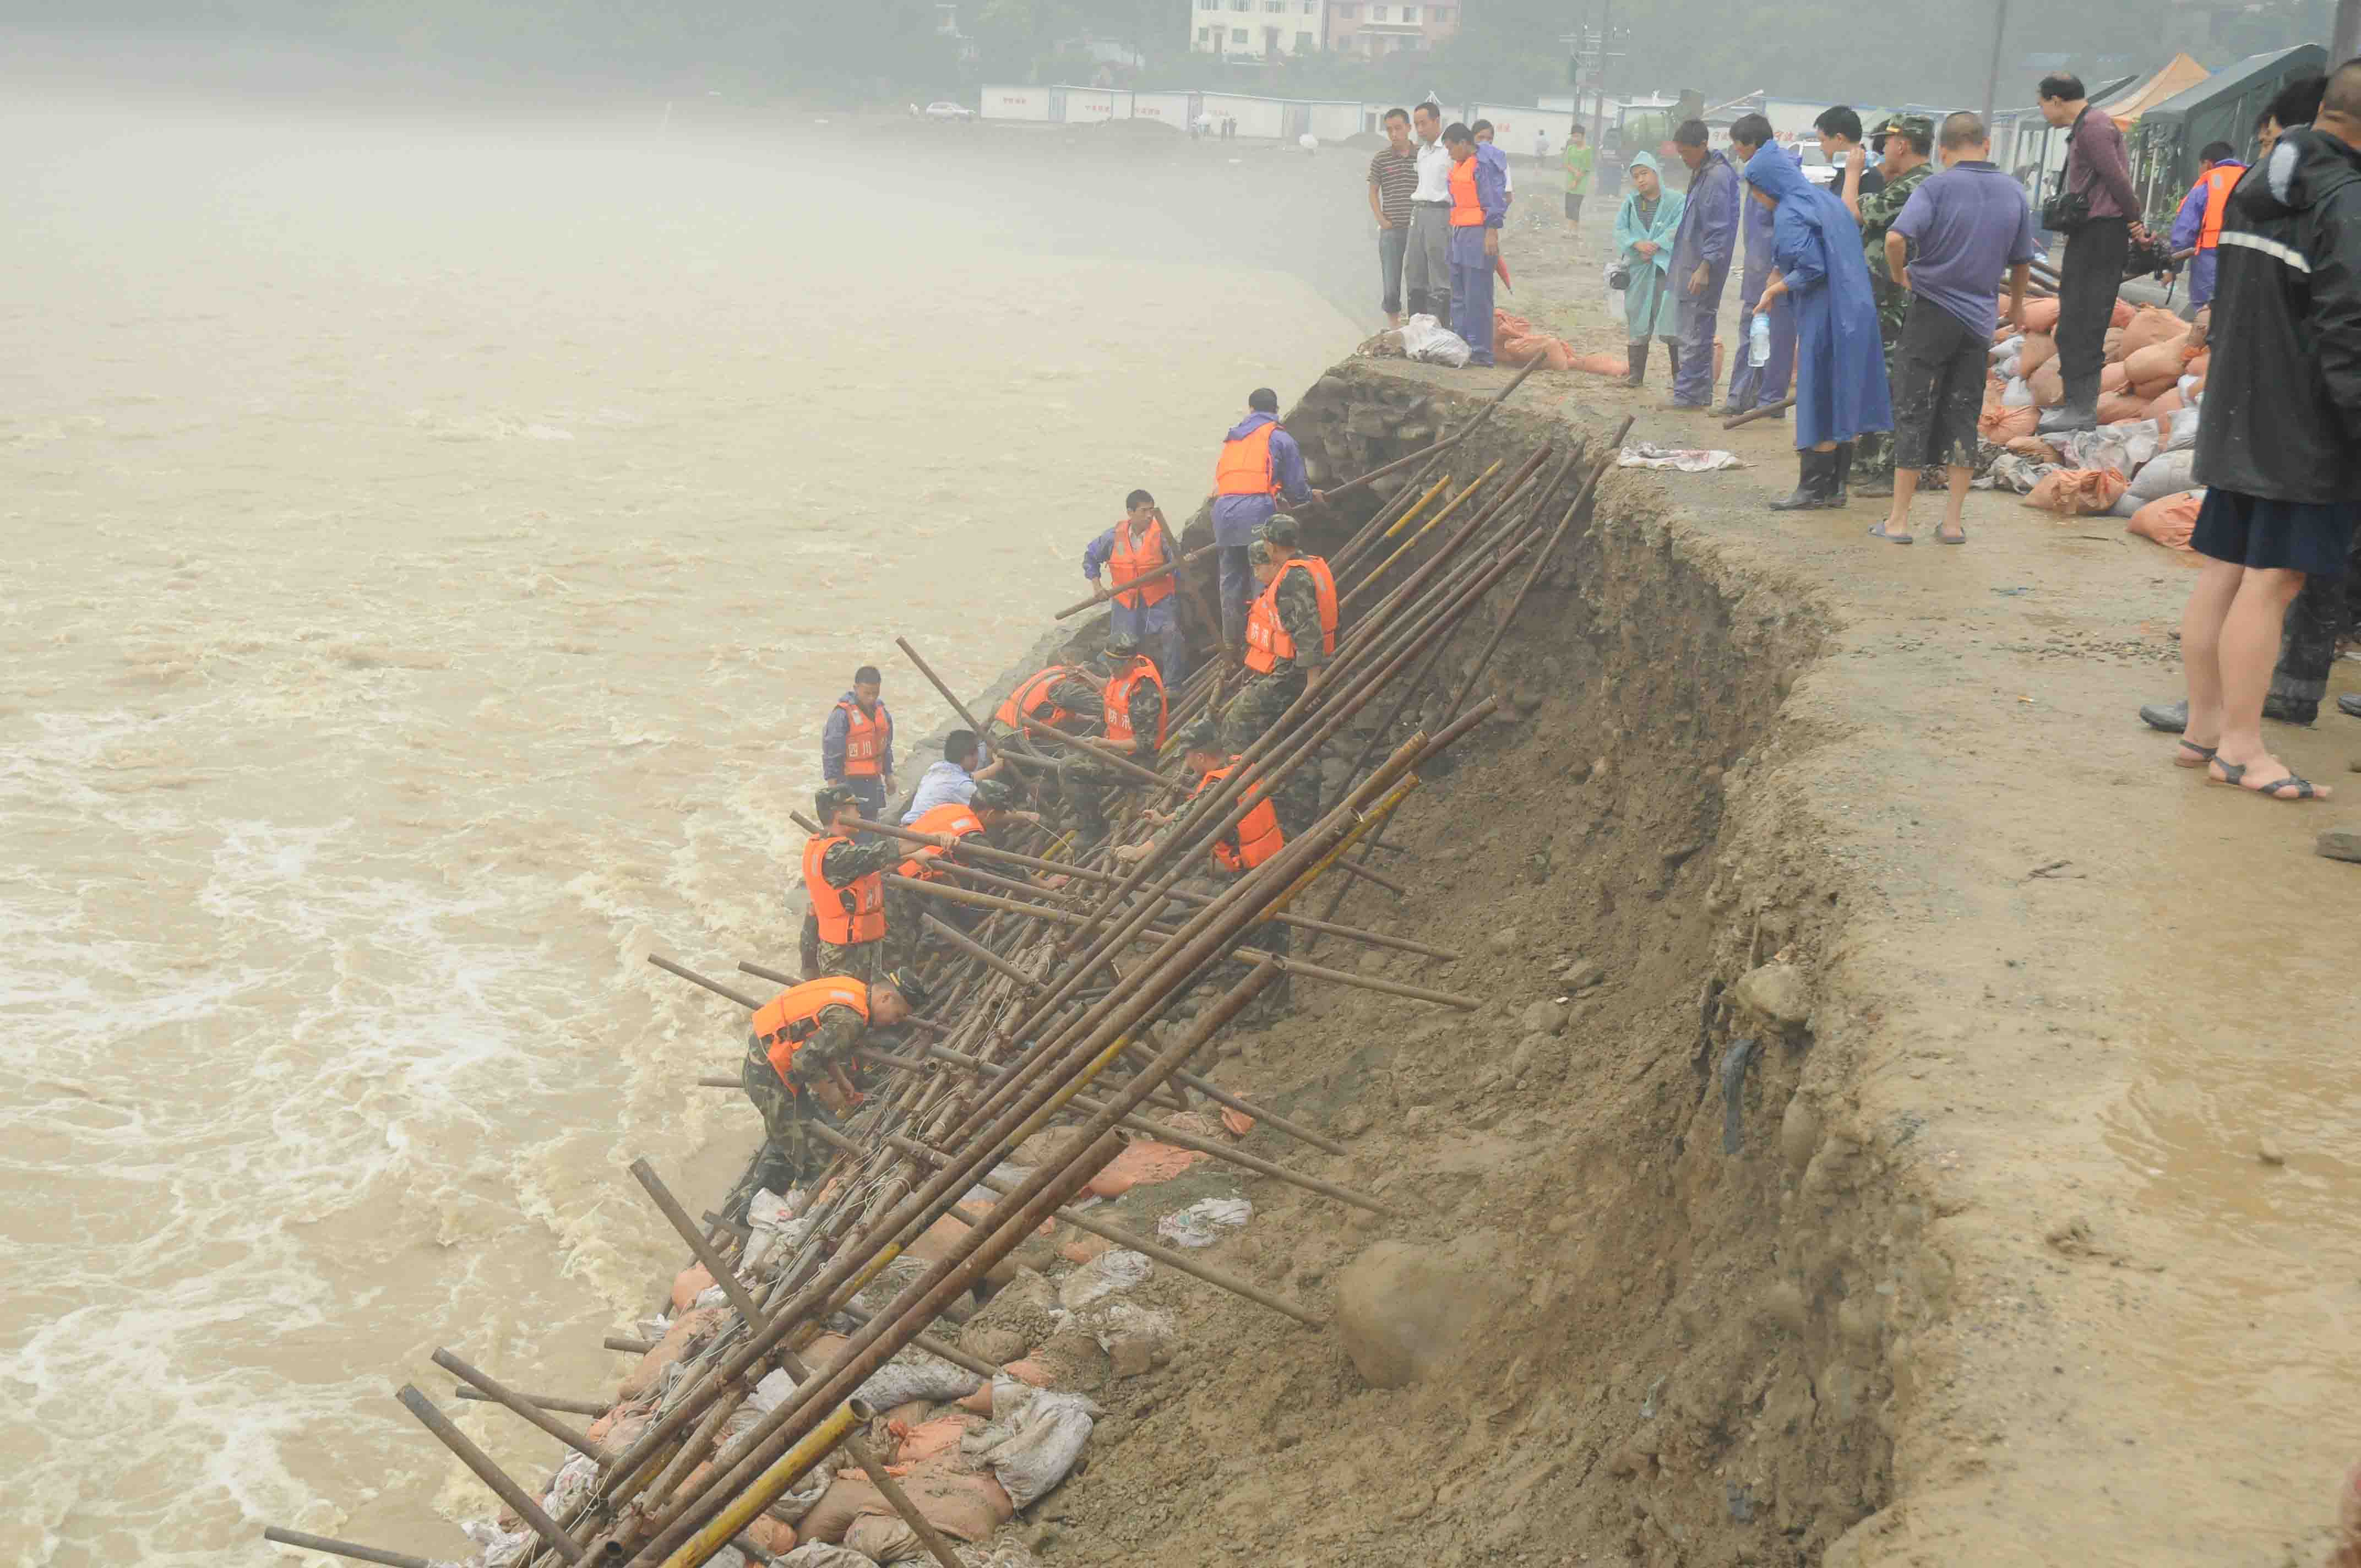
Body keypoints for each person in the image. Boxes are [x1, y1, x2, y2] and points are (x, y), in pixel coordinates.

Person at [2170, 59, 2361, 805]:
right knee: (2274, 581)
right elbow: (2349, 330)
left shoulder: (2259, 184)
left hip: (2239, 410)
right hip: (2304, 428)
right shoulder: (2344, 201)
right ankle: (2243, 748)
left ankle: (2203, 728)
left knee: (2225, 567)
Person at [1871, 112, 2039, 546]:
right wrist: (2017, 306)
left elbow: (1895, 239)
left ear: (1943, 150)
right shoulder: (2013, 192)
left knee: (1913, 409)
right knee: (1964, 415)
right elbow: (2022, 260)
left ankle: (1899, 521)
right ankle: (1952, 524)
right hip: (1978, 322)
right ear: (1985, 144)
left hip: (1931, 313)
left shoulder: (1936, 186)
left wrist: (1899, 275)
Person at [1746, 146, 1892, 509]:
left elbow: (1812, 268)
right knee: (1843, 392)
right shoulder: (1823, 200)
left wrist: (1774, 290)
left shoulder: (1789, 213)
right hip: (1856, 308)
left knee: (1818, 393)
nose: (1755, 197)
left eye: (1754, 189)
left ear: (1768, 185)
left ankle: (1812, 489)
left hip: (1828, 312)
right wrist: (1781, 271)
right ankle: (1836, 488)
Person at [722, 968, 922, 1222]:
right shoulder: (851, 1019)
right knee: (808, 1156)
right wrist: (831, 1093)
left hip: (766, 1057)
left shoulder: (853, 990)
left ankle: (766, 1196)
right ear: (885, 998)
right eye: (898, 1015)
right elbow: (804, 1062)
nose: (895, 1023)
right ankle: (755, 1216)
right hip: (768, 1075)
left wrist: (841, 1081)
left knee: (795, 1136)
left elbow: (820, 1047)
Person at [2034, 73, 2143, 434]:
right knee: (2074, 321)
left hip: (2101, 234)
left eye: (2042, 104)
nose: (2043, 112)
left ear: (2056, 100)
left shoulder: (2094, 126)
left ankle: (2082, 410)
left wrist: (2135, 221)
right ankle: (2075, 404)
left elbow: (2117, 179)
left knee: (2084, 322)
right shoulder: (2087, 125)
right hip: (2089, 233)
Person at [1849, 115, 1938, 497]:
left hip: (1897, 301)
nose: (1883, 148)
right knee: (1876, 376)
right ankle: (1870, 460)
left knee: (1895, 383)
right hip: (1882, 299)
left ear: (1903, 145)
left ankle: (1890, 469)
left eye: (1888, 142)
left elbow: (1859, 213)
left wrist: (1854, 175)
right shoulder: (1904, 182)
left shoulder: (1918, 185)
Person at [1218, 515, 1336, 768]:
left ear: (1272, 546)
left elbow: (1308, 631)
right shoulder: (1307, 565)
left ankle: (1240, 780)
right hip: (1298, 666)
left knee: (1237, 720)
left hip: (1294, 672)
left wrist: (1312, 684)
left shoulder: (1293, 578)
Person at [804, 786, 953, 984]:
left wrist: (913, 856)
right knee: (853, 1006)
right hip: (845, 957)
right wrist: (936, 839)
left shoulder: (826, 846)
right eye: (855, 808)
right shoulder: (837, 856)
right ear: (840, 815)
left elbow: (869, 867)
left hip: (855, 949)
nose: (860, 813)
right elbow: (885, 851)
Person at [1212, 389, 1319, 654]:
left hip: (1224, 513)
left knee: (1231, 579)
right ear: (1275, 410)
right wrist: (1310, 497)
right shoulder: (1279, 437)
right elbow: (1296, 488)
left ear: (1250, 409)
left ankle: (1231, 642)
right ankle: (1262, 641)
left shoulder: (1234, 438)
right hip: (1256, 512)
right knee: (1263, 575)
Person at [884, 778, 1026, 970]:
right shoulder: (970, 835)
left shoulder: (953, 809)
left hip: (903, 868)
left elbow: (939, 861)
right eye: (1000, 816)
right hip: (902, 885)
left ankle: (933, 949)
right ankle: (929, 956)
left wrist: (953, 884)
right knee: (907, 940)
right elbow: (1007, 870)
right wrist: (1046, 885)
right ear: (991, 813)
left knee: (959, 882)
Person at [1721, 114, 1799, 417]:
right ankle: (1758, 400)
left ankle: (1759, 401)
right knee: (1763, 333)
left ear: (1752, 143)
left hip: (1773, 272)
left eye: (1738, 145)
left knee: (1768, 334)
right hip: (1760, 269)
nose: (1736, 151)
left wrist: (1777, 268)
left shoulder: (1770, 170)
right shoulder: (1770, 167)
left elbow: (1784, 225)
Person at [1664, 119, 1740, 411]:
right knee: (1692, 328)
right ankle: (1694, 393)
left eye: (1686, 152)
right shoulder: (1702, 171)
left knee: (1696, 331)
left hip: (1702, 268)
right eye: (1679, 152)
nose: (1682, 158)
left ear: (1703, 146)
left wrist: (1705, 267)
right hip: (1692, 264)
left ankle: (1689, 397)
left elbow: (1718, 228)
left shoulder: (1717, 177)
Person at [1082, 488, 1188, 684]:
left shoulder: (1162, 535)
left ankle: (1172, 685)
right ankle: (1123, 685)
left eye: (1152, 510)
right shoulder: (1113, 537)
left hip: (1158, 600)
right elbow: (1090, 557)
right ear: (1130, 513)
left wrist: (1184, 564)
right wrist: (1098, 587)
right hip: (1125, 602)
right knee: (1121, 647)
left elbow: (1178, 566)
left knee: (1171, 634)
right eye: (1144, 511)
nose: (1149, 515)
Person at [1614, 151, 1685, 387]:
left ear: (1656, 173)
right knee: (1637, 317)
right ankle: (1636, 376)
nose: (1641, 180)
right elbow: (1621, 230)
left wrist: (1657, 245)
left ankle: (1680, 377)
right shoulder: (1631, 203)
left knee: (1671, 319)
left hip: (1665, 270)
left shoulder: (1676, 201)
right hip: (1639, 271)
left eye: (1644, 173)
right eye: (1636, 176)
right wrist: (1637, 244)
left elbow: (1679, 227)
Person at [1443, 121, 1509, 368]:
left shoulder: (1483, 165)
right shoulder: (1460, 165)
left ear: (1463, 143)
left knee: (1477, 295)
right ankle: (1460, 346)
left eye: (1451, 148)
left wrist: (1492, 232)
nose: (1449, 154)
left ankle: (1481, 352)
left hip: (1479, 234)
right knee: (1459, 295)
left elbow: (1494, 199)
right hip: (1459, 234)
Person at [2167, 141, 2248, 309]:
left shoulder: (2204, 189)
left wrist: (2174, 268)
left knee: (2205, 314)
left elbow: (2184, 236)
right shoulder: (2250, 180)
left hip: (2210, 261)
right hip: (2246, 261)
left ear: (2208, 164)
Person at [820, 667, 895, 827]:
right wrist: (833, 789)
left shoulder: (883, 713)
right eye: (867, 693)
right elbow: (832, 755)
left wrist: (889, 775)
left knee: (872, 824)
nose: (872, 698)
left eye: (875, 693)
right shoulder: (841, 716)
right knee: (852, 827)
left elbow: (886, 746)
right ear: (856, 689)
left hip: (873, 782)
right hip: (849, 782)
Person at [1368, 108, 1420, 328]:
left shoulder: (1423, 155)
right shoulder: (1381, 159)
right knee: (1391, 282)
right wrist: (1381, 220)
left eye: (1398, 128)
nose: (1394, 134)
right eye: (1389, 129)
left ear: (1409, 128)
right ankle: (1394, 327)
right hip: (1391, 229)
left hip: (1418, 229)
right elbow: (1373, 193)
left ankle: (1418, 324)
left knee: (1418, 281)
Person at [1405, 101, 1455, 324]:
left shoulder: (1449, 151)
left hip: (1440, 213)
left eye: (1424, 123)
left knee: (1439, 269)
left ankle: (1440, 325)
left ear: (1437, 121)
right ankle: (1417, 324)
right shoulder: (1422, 153)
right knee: (1414, 268)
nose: (1420, 129)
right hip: (1419, 213)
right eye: (1416, 125)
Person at [899, 729, 1004, 825]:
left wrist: (996, 766)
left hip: (909, 824)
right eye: (977, 753)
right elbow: (987, 815)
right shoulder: (962, 787)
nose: (978, 757)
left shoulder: (937, 767)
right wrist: (1019, 818)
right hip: (923, 832)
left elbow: (971, 778)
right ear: (968, 757)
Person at [1815, 105, 1885, 222]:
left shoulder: (1869, 175)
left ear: (1839, 138)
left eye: (1823, 141)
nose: (1821, 147)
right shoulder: (1845, 170)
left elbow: (1850, 218)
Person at [1563, 124, 1595, 232]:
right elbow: (1566, 163)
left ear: (1583, 136)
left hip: (1581, 183)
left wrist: (1576, 181)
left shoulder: (1587, 150)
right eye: (1573, 136)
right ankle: (1576, 232)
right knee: (1568, 207)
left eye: (1577, 136)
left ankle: (1568, 230)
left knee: (1574, 207)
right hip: (1569, 182)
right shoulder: (1571, 148)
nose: (1575, 139)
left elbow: (1586, 168)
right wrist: (1574, 171)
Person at [1472, 119, 1513, 196]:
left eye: (1489, 139)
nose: (1485, 142)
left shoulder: (1501, 162)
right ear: (1472, 137)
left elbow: (1508, 196)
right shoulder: (1464, 160)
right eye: (1481, 137)